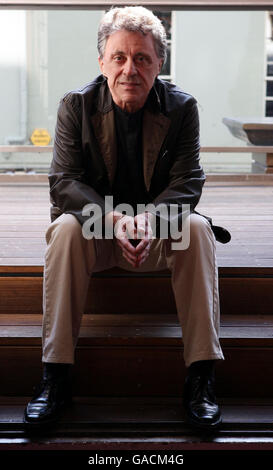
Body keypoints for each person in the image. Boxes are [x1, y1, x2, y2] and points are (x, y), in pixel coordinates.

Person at [23, 6, 230, 432]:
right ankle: (55, 376)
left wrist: (151, 220)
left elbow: (188, 182)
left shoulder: (182, 109)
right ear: (102, 62)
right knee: (63, 228)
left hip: (158, 232)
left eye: (142, 58)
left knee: (197, 228)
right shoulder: (76, 106)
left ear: (159, 64)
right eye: (119, 57)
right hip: (97, 233)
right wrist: (114, 220)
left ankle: (201, 377)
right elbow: (64, 183)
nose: (129, 69)